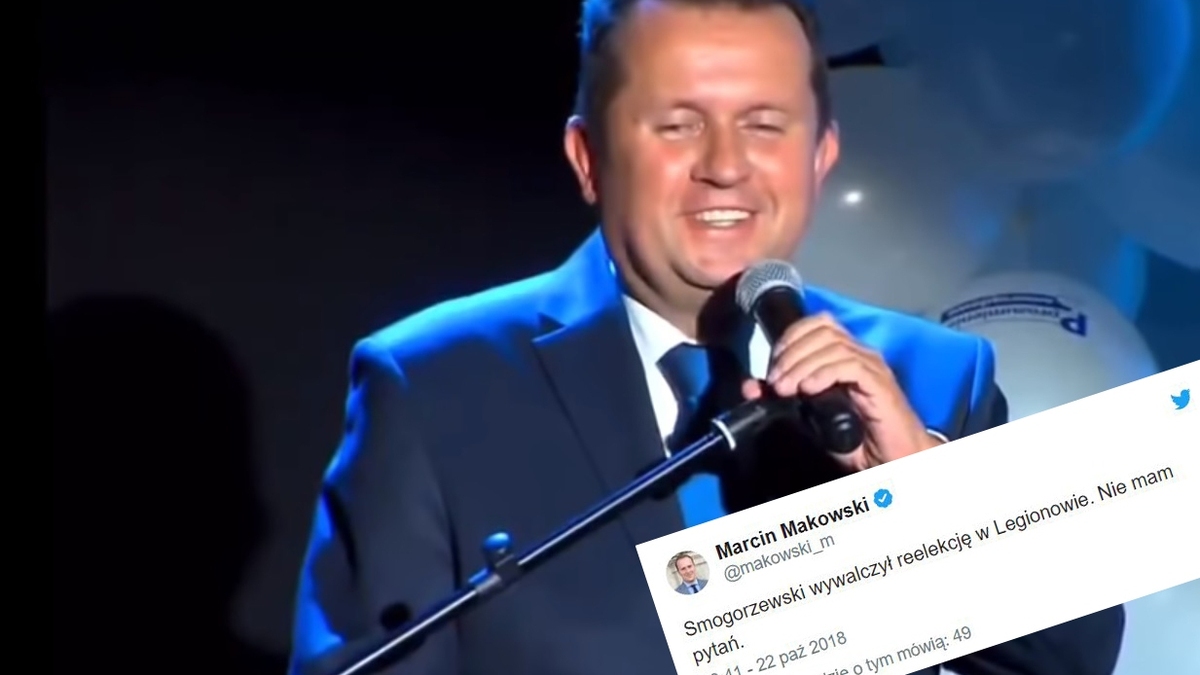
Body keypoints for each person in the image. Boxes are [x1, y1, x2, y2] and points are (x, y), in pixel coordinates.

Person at [288, 1, 1125, 674]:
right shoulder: (435, 384)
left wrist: (923, 487)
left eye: (765, 124)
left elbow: (1070, 657)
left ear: (821, 156)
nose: (725, 165)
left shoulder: (933, 377)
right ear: (588, 157)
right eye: (678, 124)